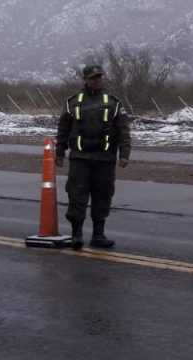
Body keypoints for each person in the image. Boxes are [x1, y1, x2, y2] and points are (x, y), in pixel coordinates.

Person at [55, 64, 132, 250]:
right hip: (80, 158)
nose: (96, 80)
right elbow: (63, 129)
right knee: (77, 196)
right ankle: (77, 235)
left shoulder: (113, 102)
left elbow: (123, 130)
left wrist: (124, 154)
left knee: (103, 196)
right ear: (85, 80)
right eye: (92, 78)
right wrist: (59, 152)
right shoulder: (73, 102)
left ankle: (98, 235)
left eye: (99, 77)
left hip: (104, 159)